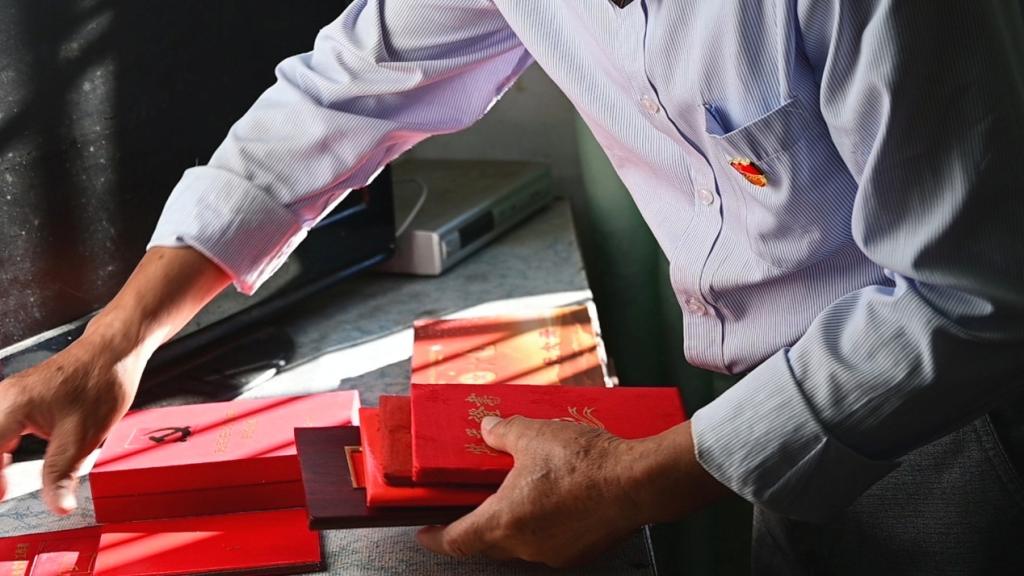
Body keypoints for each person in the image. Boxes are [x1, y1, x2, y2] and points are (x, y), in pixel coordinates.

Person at [2, 0, 1023, 572]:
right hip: (772, 406)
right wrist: (111, 345)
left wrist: (637, 480)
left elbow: (975, 299)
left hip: (965, 428)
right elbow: (341, 98)